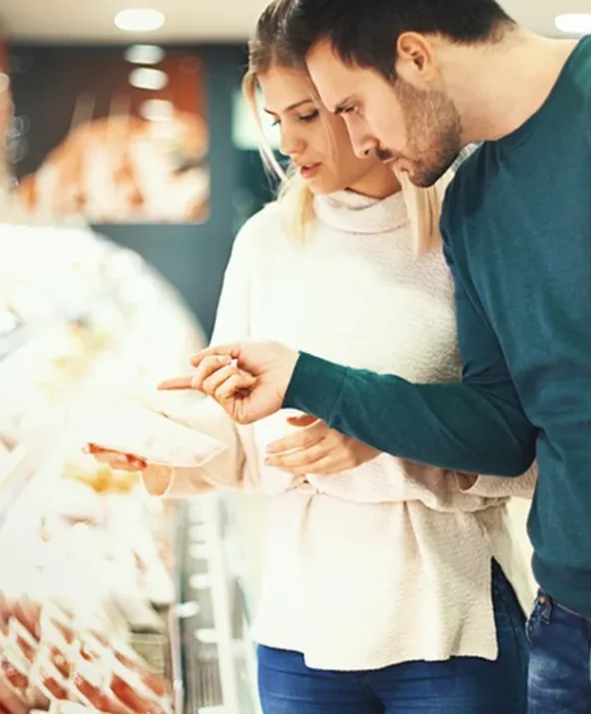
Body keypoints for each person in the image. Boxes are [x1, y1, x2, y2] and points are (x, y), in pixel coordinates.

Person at [161, 1, 591, 713]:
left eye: (353, 106)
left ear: (416, 57)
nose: (358, 137)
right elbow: (499, 430)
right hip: (566, 630)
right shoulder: (472, 202)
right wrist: (305, 378)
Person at [87, 4, 537, 713]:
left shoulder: (469, 231)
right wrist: (166, 444)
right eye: (277, 122)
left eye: (311, 113)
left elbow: (522, 449)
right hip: (304, 631)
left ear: (360, 99)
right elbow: (250, 445)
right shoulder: (265, 243)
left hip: (449, 625)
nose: (291, 143)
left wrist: (378, 441)